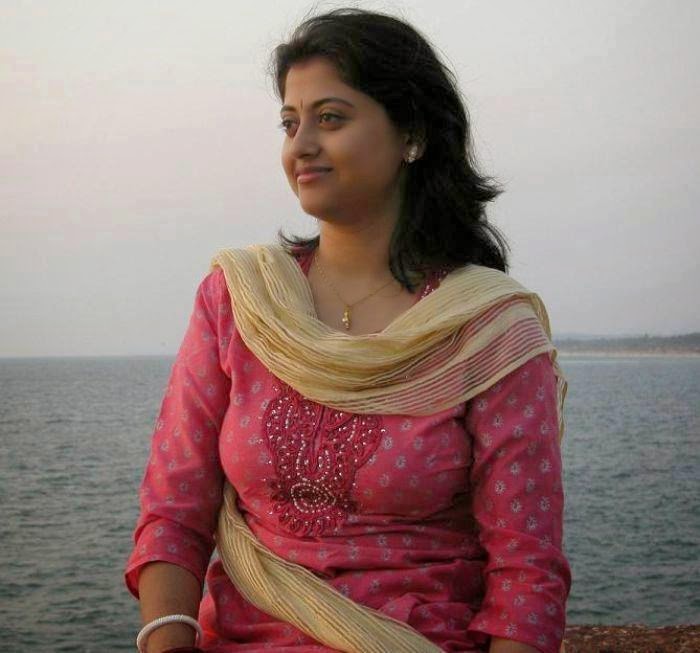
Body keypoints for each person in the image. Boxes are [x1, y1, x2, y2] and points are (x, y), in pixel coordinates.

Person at [125, 8, 571, 653]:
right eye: (290, 123)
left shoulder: (487, 326)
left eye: (330, 118)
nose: (301, 145)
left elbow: (527, 567)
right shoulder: (242, 299)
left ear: (412, 134)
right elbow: (174, 510)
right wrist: (168, 639)